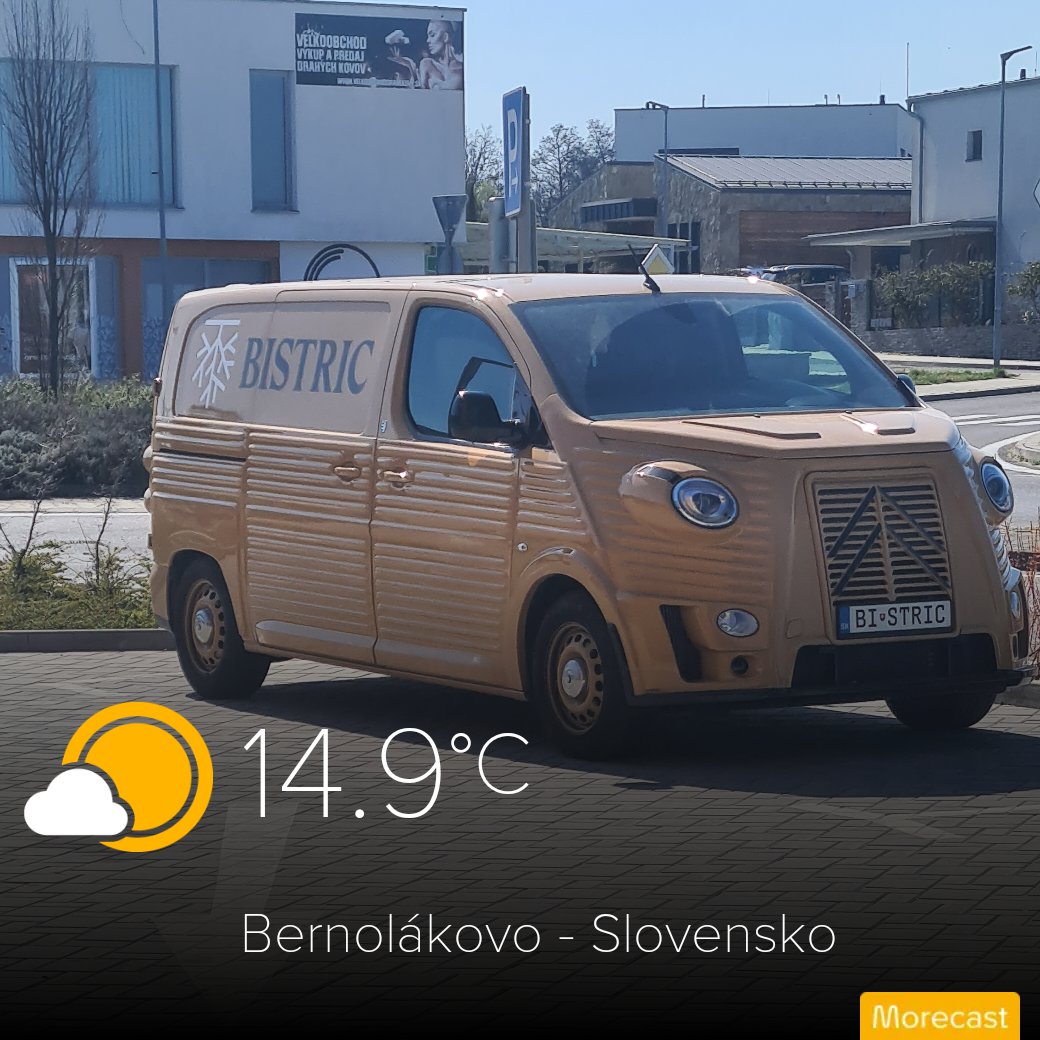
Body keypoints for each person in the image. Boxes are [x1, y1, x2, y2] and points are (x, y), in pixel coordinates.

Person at [418, 20, 463, 90]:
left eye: (432, 35)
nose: (428, 40)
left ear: (445, 37)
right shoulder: (427, 64)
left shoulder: (461, 70)